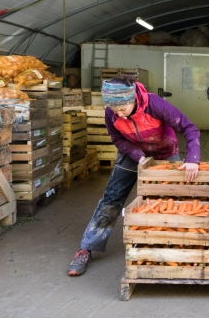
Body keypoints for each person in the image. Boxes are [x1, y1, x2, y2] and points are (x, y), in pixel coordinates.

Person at [68, 77, 201, 276]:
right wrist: (138, 156)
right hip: (133, 153)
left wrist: (192, 159)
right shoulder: (111, 114)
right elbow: (118, 139)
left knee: (170, 200)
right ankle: (86, 248)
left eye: (123, 109)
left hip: (165, 151)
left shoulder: (155, 104)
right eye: (115, 111)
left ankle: (167, 249)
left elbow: (189, 129)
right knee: (112, 198)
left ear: (132, 100)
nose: (119, 114)